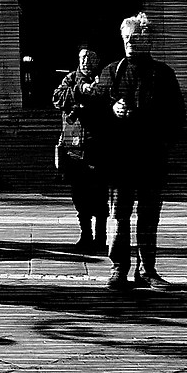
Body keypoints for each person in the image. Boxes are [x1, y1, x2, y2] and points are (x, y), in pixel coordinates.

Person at [98, 13, 184, 290]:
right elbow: (94, 109)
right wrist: (111, 109)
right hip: (120, 157)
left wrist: (160, 136)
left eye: (135, 38)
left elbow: (177, 115)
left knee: (149, 215)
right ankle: (118, 267)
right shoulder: (112, 71)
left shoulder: (163, 73)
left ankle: (147, 269)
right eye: (126, 38)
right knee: (119, 215)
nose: (129, 43)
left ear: (148, 40)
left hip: (151, 155)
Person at [51, 45, 108, 252]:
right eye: (82, 57)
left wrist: (94, 95)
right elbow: (57, 98)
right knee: (79, 194)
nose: (85, 61)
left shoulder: (104, 79)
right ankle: (86, 234)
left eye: (89, 58)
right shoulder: (71, 79)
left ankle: (101, 236)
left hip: (97, 145)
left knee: (100, 193)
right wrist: (79, 91)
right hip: (74, 147)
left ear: (96, 61)